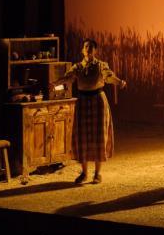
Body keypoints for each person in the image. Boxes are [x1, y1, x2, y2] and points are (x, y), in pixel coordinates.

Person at [52, 39, 127, 184]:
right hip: (82, 101)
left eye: (91, 47)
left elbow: (109, 77)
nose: (88, 49)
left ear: (95, 50)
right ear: (83, 50)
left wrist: (120, 82)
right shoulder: (77, 67)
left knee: (98, 136)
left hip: (98, 101)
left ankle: (97, 173)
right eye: (86, 47)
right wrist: (55, 84)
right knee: (82, 137)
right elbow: (67, 78)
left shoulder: (101, 66)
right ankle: (84, 173)